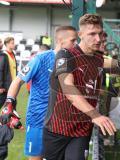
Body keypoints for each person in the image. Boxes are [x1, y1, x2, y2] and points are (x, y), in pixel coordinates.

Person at [43, 14, 117, 160]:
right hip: (57, 129)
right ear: (80, 34)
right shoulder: (65, 55)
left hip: (81, 131)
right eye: (92, 34)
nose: (98, 39)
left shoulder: (99, 59)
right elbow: (68, 88)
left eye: (100, 34)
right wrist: (96, 115)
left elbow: (118, 65)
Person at [5, 26, 78, 160]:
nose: (76, 44)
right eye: (73, 40)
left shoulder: (73, 61)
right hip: (39, 120)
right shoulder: (41, 59)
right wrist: (9, 102)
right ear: (61, 40)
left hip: (62, 122)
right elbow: (17, 81)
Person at [0, 39, 11, 107]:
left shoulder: (4, 55)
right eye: (0, 42)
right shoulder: (3, 56)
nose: (2, 44)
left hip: (4, 87)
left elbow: (6, 72)